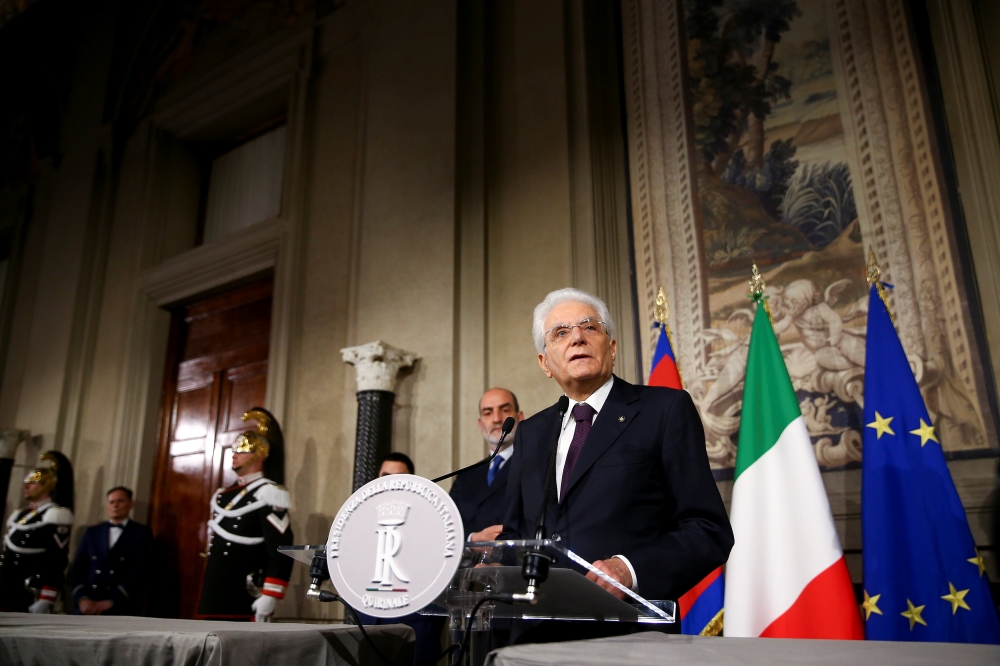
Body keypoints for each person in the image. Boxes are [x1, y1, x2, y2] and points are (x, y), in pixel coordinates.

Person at [500, 288, 734, 643]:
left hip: (628, 633)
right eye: (561, 333)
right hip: (537, 635)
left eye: (589, 327)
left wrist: (630, 569)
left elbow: (708, 530)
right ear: (545, 362)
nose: (577, 336)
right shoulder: (531, 432)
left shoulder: (664, 410)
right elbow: (515, 533)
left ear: (611, 347)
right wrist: (489, 567)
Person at [197, 408, 294, 622]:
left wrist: (270, 595)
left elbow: (280, 549)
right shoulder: (225, 495)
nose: (235, 454)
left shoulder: (268, 493)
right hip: (217, 589)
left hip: (245, 592)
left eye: (243, 449)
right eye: (235, 449)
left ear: (260, 454)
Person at [360, 452, 445, 666]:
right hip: (368, 625)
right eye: (384, 476)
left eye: (397, 477)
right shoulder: (360, 518)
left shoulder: (431, 518)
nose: (389, 483)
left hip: (416, 629)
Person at [0, 451, 75, 613]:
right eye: (26, 482)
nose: (26, 486)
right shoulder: (20, 514)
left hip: (31, 591)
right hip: (7, 589)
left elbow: (57, 559)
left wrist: (47, 597)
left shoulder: (55, 514)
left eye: (33, 482)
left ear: (47, 486)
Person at [449, 388, 524, 541]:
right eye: (488, 413)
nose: (496, 419)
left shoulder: (536, 467)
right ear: (480, 423)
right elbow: (446, 527)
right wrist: (473, 539)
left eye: (505, 410)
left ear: (520, 417)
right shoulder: (465, 478)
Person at [69, 486, 152, 615]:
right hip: (87, 604)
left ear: (131, 504)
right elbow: (77, 568)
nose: (115, 506)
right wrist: (82, 599)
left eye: (120, 501)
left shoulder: (141, 533)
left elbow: (140, 570)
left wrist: (112, 600)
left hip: (121, 605)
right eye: (111, 502)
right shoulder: (92, 532)